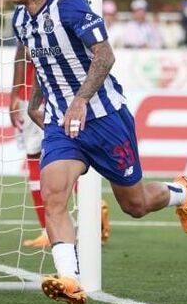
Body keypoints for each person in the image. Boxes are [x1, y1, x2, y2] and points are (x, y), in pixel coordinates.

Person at [4, 0, 187, 304]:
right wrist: (33, 101)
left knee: (135, 204)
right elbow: (45, 64)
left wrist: (80, 100)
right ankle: (69, 280)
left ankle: (180, 193)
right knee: (53, 195)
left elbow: (104, 55)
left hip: (105, 118)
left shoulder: (70, 4)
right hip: (63, 123)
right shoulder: (19, 19)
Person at [9, 43, 111, 249]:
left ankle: (48, 229)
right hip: (66, 98)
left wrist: (14, 93)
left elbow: (22, 53)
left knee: (36, 160)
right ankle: (90, 207)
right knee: (68, 157)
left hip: (35, 98)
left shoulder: (28, 18)